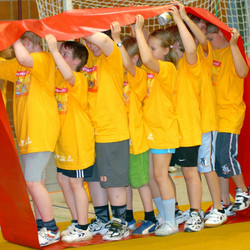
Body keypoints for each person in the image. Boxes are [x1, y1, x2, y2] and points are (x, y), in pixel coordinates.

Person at [0, 31, 60, 246]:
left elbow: (25, 57)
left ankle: (51, 229)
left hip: (41, 130)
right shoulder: (18, 67)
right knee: (38, 182)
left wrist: (11, 35)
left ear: (25, 42)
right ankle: (42, 225)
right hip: (27, 133)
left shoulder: (43, 59)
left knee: (32, 181)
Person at [174, 3, 227, 227]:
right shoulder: (179, 66)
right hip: (190, 127)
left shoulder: (202, 55)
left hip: (205, 123)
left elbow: (198, 42)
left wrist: (183, 18)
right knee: (191, 170)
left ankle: (219, 207)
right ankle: (197, 209)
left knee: (207, 167)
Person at [45, 34, 95, 243]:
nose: (60, 56)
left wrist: (55, 50)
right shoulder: (57, 76)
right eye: (61, 53)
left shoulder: (80, 79)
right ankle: (76, 221)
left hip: (77, 140)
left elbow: (68, 75)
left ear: (77, 61)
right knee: (63, 181)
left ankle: (84, 226)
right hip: (62, 141)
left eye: (65, 54)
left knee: (76, 183)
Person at [82, 30, 130, 241]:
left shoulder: (112, 57)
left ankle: (121, 222)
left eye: (90, 40)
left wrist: (79, 25)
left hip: (112, 131)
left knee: (113, 181)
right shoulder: (90, 58)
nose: (90, 45)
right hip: (91, 131)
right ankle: (103, 220)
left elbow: (102, 40)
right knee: (94, 179)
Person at [111, 22, 158, 235]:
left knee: (140, 181)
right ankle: (128, 217)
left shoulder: (138, 76)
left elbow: (128, 66)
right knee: (126, 181)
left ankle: (150, 217)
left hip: (136, 140)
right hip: (121, 138)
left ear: (135, 59)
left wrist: (118, 40)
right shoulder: (118, 78)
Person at [134, 14, 179, 236]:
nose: (149, 51)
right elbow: (145, 59)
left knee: (161, 175)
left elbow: (149, 59)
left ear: (166, 50)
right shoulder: (149, 71)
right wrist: (139, 30)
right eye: (149, 46)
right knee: (151, 176)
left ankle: (171, 220)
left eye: (154, 47)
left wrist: (139, 32)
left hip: (163, 130)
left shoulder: (166, 68)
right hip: (148, 129)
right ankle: (163, 216)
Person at [206, 23, 250, 213]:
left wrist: (233, 45)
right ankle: (224, 200)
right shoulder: (210, 53)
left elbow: (243, 72)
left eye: (211, 37)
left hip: (229, 114)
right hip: (212, 116)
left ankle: (243, 190)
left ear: (222, 35)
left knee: (225, 156)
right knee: (216, 161)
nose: (209, 41)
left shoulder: (233, 53)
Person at [168, 2, 203, 232]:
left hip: (188, 129)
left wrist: (180, 20)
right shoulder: (168, 67)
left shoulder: (191, 64)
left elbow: (190, 49)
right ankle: (178, 211)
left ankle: (196, 213)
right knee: (160, 172)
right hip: (169, 130)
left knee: (190, 172)